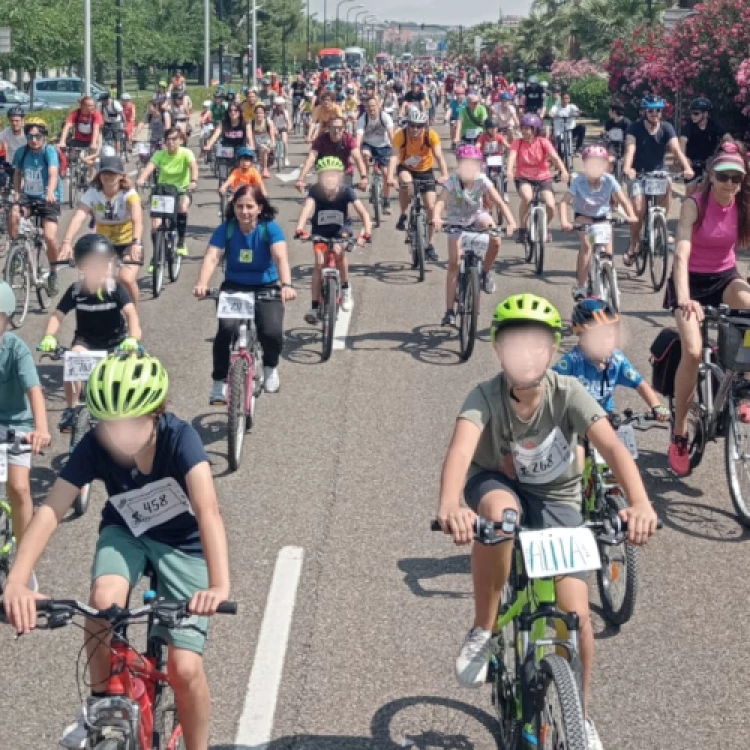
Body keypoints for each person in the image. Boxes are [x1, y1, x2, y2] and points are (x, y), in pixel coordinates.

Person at [437, 292, 657, 750]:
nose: (526, 353)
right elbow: (460, 450)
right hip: (496, 482)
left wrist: (640, 502)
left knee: (576, 616)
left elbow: (613, 448)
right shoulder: (484, 396)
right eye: (515, 343)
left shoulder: (567, 392)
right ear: (498, 350)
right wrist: (451, 504)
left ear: (554, 351)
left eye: (538, 344)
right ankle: (483, 628)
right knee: (502, 519)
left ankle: (581, 711)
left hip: (559, 496)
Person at [2, 351, 231, 750]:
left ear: (156, 414)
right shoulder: (94, 445)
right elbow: (50, 511)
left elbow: (208, 510)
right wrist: (17, 583)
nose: (119, 436)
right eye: (108, 425)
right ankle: (99, 702)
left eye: (131, 424)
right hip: (126, 530)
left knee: (184, 667)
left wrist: (219, 586)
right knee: (101, 603)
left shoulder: (181, 439)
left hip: (183, 544)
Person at [666, 141, 750, 475]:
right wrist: (686, 299)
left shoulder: (743, 206)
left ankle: (743, 387)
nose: (730, 183)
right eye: (724, 176)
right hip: (691, 282)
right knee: (692, 349)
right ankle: (680, 430)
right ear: (711, 176)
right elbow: (681, 256)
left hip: (724, 278)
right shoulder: (694, 205)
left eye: (737, 178)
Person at [194, 186, 295, 401]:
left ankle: (270, 367)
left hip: (266, 287)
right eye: (240, 206)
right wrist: (202, 283)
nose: (244, 211)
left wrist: (286, 284)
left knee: (272, 332)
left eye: (250, 206)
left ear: (259, 208)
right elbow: (212, 257)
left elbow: (280, 257)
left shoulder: (270, 228)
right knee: (225, 330)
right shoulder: (227, 229)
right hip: (235, 286)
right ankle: (219, 382)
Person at [39, 233, 142, 431]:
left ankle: (130, 412)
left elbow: (131, 313)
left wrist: (133, 337)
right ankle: (71, 409)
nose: (101, 271)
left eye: (104, 265)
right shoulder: (76, 290)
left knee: (126, 376)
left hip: (117, 341)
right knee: (72, 361)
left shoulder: (115, 288)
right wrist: (49, 336)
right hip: (86, 340)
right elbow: (57, 315)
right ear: (82, 267)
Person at [0, 280, 51, 593]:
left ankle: (24, 564)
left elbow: (34, 389)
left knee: (18, 487)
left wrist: (41, 429)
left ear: (7, 319)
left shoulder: (15, 349)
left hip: (18, 424)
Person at [433, 144, 516, 325]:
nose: (469, 167)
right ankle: (449, 311)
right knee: (454, 263)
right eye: (465, 163)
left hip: (476, 216)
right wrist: (436, 217)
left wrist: (511, 221)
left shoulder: (482, 179)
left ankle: (485, 273)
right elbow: (440, 201)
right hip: (455, 221)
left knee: (495, 237)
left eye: (473, 163)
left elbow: (499, 201)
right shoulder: (453, 181)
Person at [554, 298, 669, 419]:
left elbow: (640, 384)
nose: (606, 341)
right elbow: (548, 387)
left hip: (606, 418)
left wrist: (656, 405)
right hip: (575, 421)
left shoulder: (616, 360)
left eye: (610, 335)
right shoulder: (571, 361)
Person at [294, 157, 372, 321]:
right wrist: (300, 228)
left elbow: (364, 213)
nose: (329, 179)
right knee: (319, 262)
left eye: (333, 175)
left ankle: (345, 288)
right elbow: (307, 208)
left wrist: (366, 234)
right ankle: (314, 306)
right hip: (320, 230)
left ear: (340, 177)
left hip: (340, 230)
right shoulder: (315, 190)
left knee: (338, 251)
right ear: (320, 177)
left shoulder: (346, 191)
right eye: (325, 175)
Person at [60, 156, 143, 306]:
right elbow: (79, 217)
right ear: (99, 175)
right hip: (104, 244)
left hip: (128, 242)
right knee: (96, 280)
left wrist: (136, 242)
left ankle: (134, 317)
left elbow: (137, 219)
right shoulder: (93, 193)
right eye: (104, 173)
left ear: (121, 176)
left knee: (126, 279)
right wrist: (67, 242)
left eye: (113, 173)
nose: (108, 177)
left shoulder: (129, 194)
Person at [622, 95, 694, 265]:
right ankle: (633, 243)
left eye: (658, 110)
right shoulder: (635, 128)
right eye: (651, 110)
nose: (655, 113)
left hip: (659, 172)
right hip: (638, 173)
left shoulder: (667, 128)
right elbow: (630, 149)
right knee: (638, 207)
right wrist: (627, 168)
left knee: (668, 184)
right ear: (644, 112)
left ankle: (659, 221)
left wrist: (687, 167)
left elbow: (676, 150)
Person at [559, 144, 637, 300]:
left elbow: (623, 200)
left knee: (608, 254)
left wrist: (631, 215)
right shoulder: (579, 181)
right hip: (584, 217)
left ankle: (610, 282)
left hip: (603, 218)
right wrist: (565, 222)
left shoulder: (609, 180)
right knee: (587, 247)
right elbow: (563, 202)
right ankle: (581, 286)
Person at [10, 117, 63, 294]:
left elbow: (53, 173)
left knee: (49, 237)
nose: (33, 140)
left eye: (37, 136)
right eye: (30, 136)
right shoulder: (21, 152)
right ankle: (16, 250)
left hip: (49, 199)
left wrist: (50, 192)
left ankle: (53, 274)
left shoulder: (49, 152)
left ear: (44, 136)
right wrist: (17, 193)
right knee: (14, 212)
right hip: (29, 197)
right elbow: (17, 173)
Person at [388, 107, 449, 262]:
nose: (415, 129)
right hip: (406, 167)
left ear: (425, 126)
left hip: (425, 170)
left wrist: (444, 175)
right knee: (407, 184)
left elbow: (439, 157)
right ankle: (403, 213)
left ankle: (430, 245)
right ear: (407, 124)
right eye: (412, 125)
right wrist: (389, 176)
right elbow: (394, 157)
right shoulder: (400, 135)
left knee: (431, 207)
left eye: (419, 126)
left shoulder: (431, 136)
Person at [137, 127, 199, 261]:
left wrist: (193, 181)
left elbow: (193, 167)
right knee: (155, 225)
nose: (171, 142)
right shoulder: (160, 154)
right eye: (168, 139)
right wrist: (142, 179)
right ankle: (156, 256)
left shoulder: (186, 153)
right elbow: (150, 167)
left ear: (181, 140)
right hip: (163, 191)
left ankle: (181, 242)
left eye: (174, 139)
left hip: (182, 190)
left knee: (183, 207)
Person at [506, 113, 568, 246]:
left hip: (543, 178)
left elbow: (554, 157)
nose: (525, 131)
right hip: (523, 177)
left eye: (528, 128)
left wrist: (563, 170)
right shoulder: (518, 142)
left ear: (535, 130)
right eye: (523, 128)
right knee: (527, 198)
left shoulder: (543, 142)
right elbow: (512, 157)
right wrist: (509, 171)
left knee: (551, 205)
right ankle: (522, 228)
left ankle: (544, 227)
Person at [296, 115, 367, 193]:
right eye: (333, 128)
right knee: (320, 195)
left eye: (339, 128)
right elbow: (311, 159)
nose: (336, 131)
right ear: (328, 128)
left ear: (344, 129)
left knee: (345, 194)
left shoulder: (349, 139)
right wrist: (301, 179)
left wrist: (363, 178)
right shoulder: (320, 140)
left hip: (344, 172)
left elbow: (358, 159)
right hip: (325, 172)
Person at [679, 97, 726, 195]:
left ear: (705, 114)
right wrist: (684, 160)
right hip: (692, 163)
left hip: (710, 163)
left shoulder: (714, 124)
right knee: (690, 189)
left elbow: (727, 138)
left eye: (696, 113)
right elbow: (682, 141)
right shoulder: (689, 125)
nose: (693, 116)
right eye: (691, 113)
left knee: (713, 191)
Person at [356, 95, 395, 213]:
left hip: (384, 146)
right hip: (369, 144)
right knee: (365, 154)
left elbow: (391, 135)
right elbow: (359, 138)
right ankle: (366, 179)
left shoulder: (385, 117)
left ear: (378, 106)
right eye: (369, 106)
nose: (371, 108)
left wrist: (396, 149)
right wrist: (355, 150)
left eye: (373, 106)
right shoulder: (363, 119)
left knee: (386, 174)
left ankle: (386, 201)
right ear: (366, 108)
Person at [548, 91, 585, 156]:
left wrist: (579, 113)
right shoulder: (556, 107)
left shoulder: (572, 106)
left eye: (567, 98)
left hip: (571, 130)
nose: (565, 100)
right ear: (561, 99)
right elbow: (552, 112)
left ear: (569, 99)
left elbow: (577, 111)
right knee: (560, 153)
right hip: (559, 132)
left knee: (582, 127)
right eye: (563, 98)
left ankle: (577, 149)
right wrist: (551, 114)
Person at [251, 104, 276, 179]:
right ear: (254, 114)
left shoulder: (268, 122)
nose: (259, 115)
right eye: (257, 113)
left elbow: (272, 134)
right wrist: (252, 145)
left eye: (261, 113)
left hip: (266, 142)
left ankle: (265, 168)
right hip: (256, 142)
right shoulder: (252, 123)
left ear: (264, 114)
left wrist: (273, 143)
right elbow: (251, 136)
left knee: (264, 149)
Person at [271, 97, 291, 167]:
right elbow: (270, 122)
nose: (281, 107)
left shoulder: (285, 111)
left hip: (283, 128)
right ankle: (274, 159)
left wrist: (289, 127)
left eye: (282, 105)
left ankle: (286, 157)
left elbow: (288, 121)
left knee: (285, 141)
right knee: (273, 142)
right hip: (275, 127)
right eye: (279, 105)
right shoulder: (272, 112)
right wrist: (273, 128)